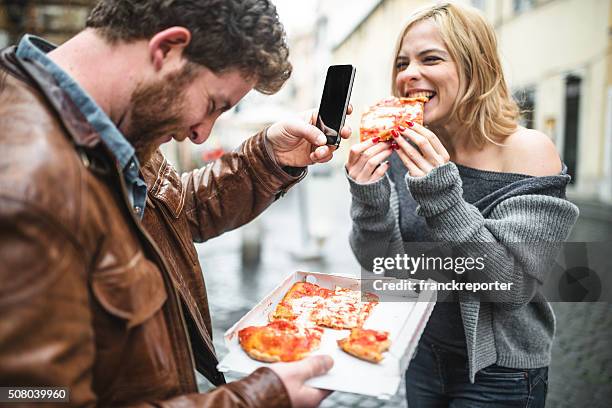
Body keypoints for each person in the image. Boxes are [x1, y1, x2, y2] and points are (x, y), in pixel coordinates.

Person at [0, 0, 351, 407]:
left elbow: (173, 213)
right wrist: (256, 400)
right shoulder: (25, 188)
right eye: (213, 104)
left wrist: (268, 158)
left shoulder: (110, 123)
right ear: (167, 49)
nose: (201, 134)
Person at [345, 2, 579, 407]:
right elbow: (384, 262)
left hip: (502, 373)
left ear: (476, 66)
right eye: (402, 63)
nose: (408, 74)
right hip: (422, 353)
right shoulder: (406, 147)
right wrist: (368, 196)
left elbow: (510, 286)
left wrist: (440, 193)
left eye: (430, 59)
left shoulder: (528, 152)